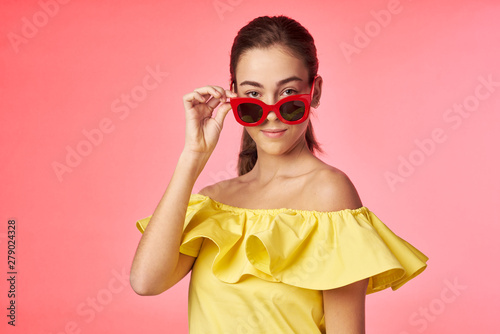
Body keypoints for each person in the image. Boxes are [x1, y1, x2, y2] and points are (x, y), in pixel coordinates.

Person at [130, 15, 428, 333]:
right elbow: (145, 281)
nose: (271, 115)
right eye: (253, 97)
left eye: (288, 95)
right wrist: (192, 157)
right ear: (233, 97)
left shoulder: (328, 194)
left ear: (314, 92)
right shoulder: (214, 202)